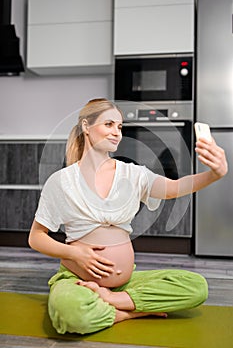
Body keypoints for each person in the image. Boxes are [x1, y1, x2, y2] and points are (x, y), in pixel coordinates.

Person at [28, 98, 228, 335]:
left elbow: (174, 187)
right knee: (70, 313)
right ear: (86, 126)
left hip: (126, 282)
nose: (116, 133)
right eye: (109, 124)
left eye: (120, 127)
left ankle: (115, 301)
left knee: (197, 287)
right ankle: (133, 309)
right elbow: (36, 237)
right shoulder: (61, 181)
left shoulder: (133, 174)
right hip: (77, 280)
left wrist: (215, 174)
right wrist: (75, 252)